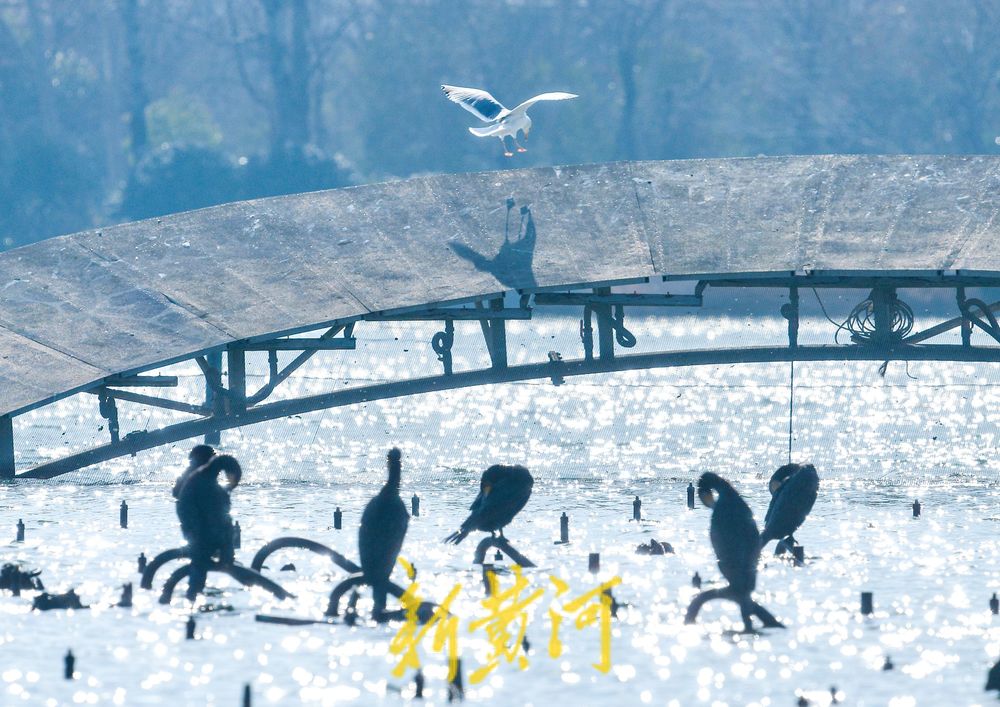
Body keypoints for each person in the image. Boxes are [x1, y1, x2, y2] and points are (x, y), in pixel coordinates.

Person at [175, 454, 241, 601]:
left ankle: (193, 595)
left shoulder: (199, 479)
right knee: (200, 565)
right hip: (201, 534)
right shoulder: (207, 486)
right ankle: (193, 595)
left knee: (199, 567)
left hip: (195, 530)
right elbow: (220, 520)